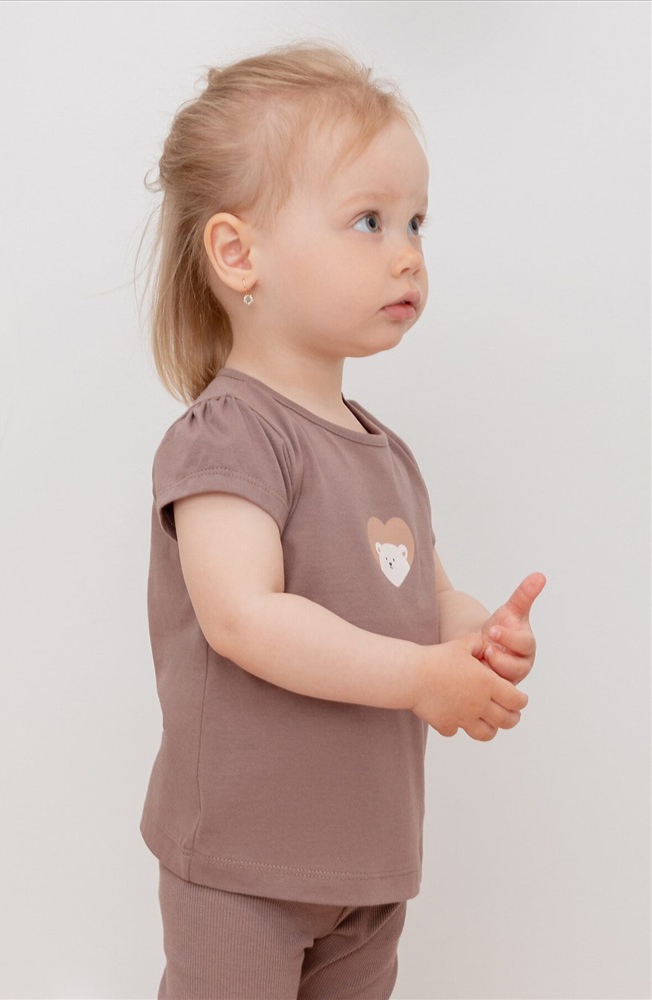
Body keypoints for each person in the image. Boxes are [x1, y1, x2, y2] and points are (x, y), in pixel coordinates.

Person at [139, 43, 546, 1000]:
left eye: (415, 222)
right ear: (238, 253)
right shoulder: (229, 435)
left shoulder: (384, 452)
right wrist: (418, 678)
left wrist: (475, 640)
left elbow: (424, 600)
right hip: (243, 861)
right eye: (367, 221)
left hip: (368, 860)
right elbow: (243, 618)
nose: (407, 252)